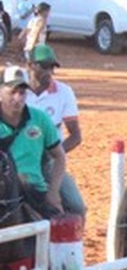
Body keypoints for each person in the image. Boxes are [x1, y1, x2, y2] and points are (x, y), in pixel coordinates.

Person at [24, 44, 83, 218]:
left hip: (50, 163)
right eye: (44, 66)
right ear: (30, 65)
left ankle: (72, 245)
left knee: (76, 206)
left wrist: (54, 154)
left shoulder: (64, 92)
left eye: (52, 67)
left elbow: (76, 135)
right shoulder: (17, 92)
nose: (48, 71)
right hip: (20, 161)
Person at [0, 65, 65, 218]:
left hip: (34, 189)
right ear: (1, 92)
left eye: (22, 93)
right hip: (2, 192)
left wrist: (53, 192)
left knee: (74, 209)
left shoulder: (40, 119)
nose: (18, 98)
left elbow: (59, 156)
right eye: (12, 92)